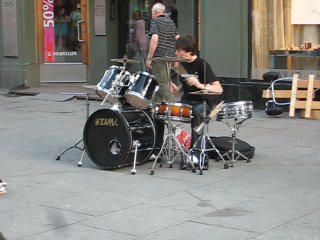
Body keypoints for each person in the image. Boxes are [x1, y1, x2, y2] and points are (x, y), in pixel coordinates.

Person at [170, 35, 223, 147]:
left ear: (189, 51)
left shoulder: (202, 64)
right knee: (161, 112)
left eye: (179, 50)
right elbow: (186, 82)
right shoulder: (181, 64)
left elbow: (218, 89)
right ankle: (157, 148)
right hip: (186, 102)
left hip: (202, 103)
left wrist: (200, 85)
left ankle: (195, 150)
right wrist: (177, 89)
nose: (176, 53)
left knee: (197, 112)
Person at [146, 3, 180, 156]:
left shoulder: (156, 21)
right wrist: (177, 57)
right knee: (164, 84)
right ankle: (164, 111)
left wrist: (149, 57)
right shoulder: (170, 22)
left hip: (159, 59)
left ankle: (172, 117)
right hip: (169, 59)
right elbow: (178, 38)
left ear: (155, 12)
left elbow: (154, 38)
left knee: (161, 88)